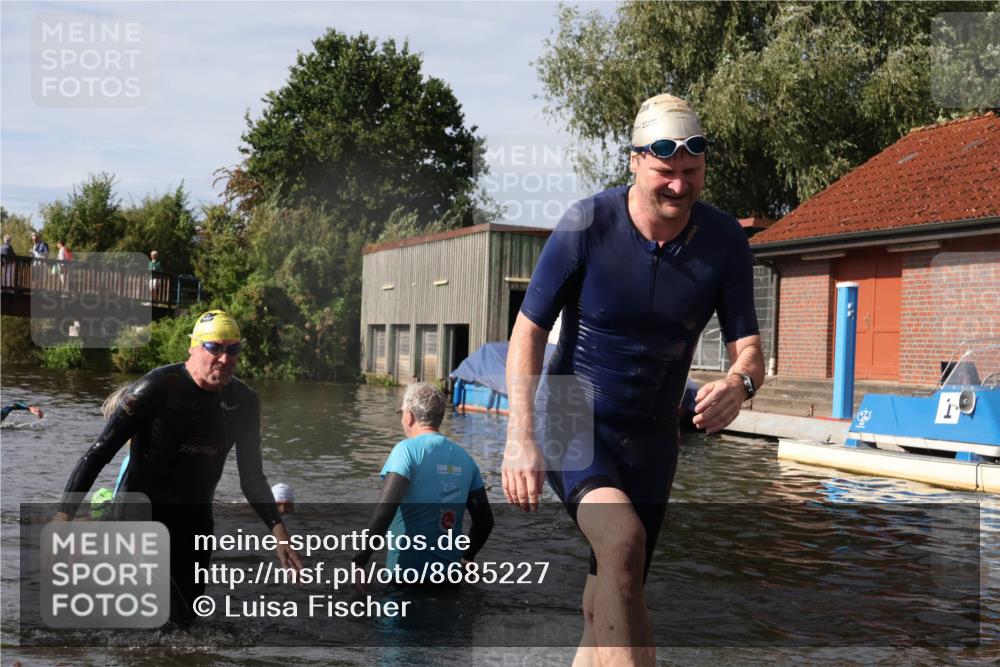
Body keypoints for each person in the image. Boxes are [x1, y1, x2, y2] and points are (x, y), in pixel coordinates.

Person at [501, 93, 763, 666]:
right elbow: (527, 333)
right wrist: (521, 437)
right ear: (634, 161)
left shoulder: (723, 242)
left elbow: (751, 353)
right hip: (570, 411)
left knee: (618, 581)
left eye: (690, 173)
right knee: (621, 543)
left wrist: (739, 387)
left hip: (653, 433)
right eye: (664, 172)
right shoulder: (587, 224)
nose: (678, 186)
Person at [55, 309, 303, 623]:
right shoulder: (158, 386)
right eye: (215, 348)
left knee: (187, 626)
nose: (225, 358)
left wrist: (280, 534)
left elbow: (252, 477)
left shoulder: (244, 402)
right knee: (162, 620)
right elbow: (97, 453)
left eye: (233, 350)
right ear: (194, 347)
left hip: (195, 524)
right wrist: (64, 520)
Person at [352, 382, 493, 581]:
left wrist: (359, 561)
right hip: (447, 579)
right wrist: (466, 557)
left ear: (408, 416)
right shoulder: (466, 459)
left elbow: (385, 510)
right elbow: (485, 522)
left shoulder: (406, 451)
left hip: (405, 577)